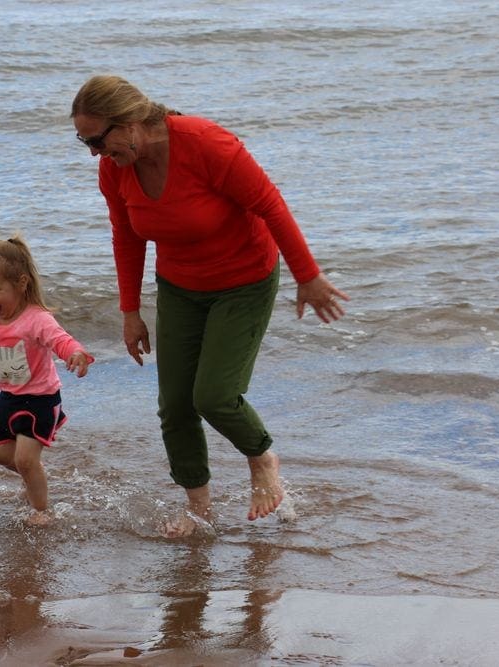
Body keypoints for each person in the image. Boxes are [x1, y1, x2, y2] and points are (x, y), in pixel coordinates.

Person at [70, 75, 349, 536]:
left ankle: (262, 458)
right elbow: (126, 236)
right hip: (180, 286)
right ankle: (198, 508)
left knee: (215, 396)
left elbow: (270, 204)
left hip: (244, 281)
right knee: (175, 405)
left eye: (98, 140)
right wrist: (130, 310)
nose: (95, 153)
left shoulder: (206, 144)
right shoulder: (115, 168)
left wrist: (307, 276)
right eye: (84, 142)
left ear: (132, 122)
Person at [0, 236, 94, 526]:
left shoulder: (37, 319)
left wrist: (75, 353)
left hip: (41, 399)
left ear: (21, 284)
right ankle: (34, 476)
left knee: (24, 459)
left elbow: (60, 340)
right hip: (8, 397)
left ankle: (41, 511)